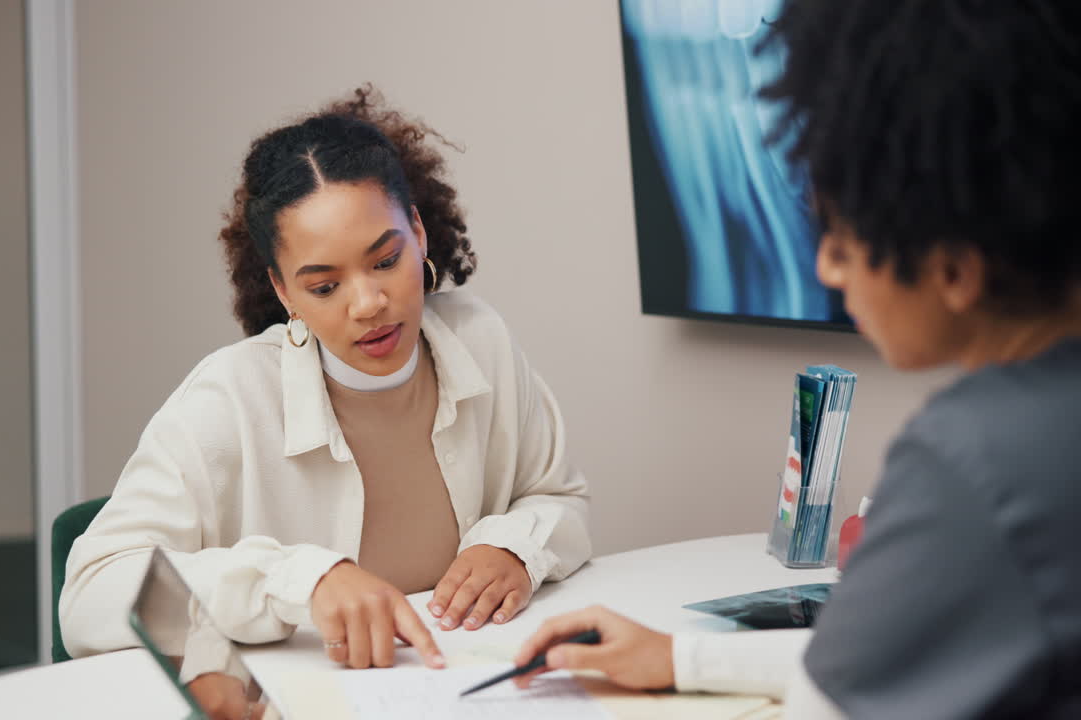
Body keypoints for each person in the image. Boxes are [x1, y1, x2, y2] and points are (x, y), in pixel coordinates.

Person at [515, 1, 1081, 718]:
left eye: (840, 240)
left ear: (955, 268)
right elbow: (884, 658)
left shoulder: (972, 462)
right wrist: (682, 657)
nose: (826, 269)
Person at [59, 87, 592, 718]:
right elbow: (92, 594)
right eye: (325, 285)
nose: (367, 304)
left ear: (418, 233)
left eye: (386, 260)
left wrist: (513, 546)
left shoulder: (482, 340)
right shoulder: (229, 397)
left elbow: (559, 498)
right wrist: (298, 580)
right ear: (283, 290)